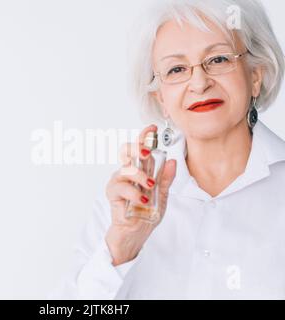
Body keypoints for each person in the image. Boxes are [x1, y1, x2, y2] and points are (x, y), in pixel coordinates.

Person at [50, 0, 285, 299]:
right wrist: (123, 246)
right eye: (176, 69)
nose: (199, 83)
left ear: (255, 75)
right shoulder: (126, 200)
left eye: (219, 59)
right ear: (161, 98)